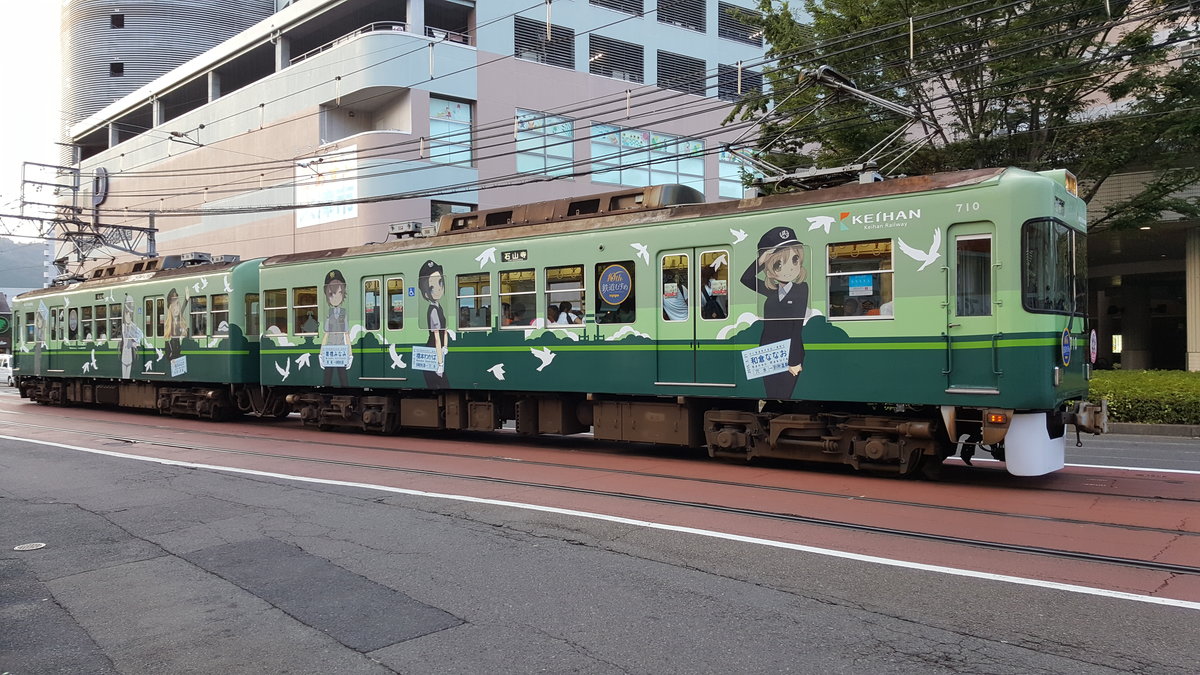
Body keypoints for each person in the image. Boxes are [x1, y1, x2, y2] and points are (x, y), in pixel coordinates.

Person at [741, 226, 808, 400]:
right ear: (770, 269)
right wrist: (761, 259)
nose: (789, 268)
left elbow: (796, 326)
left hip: (789, 351)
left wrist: (794, 360)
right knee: (771, 395)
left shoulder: (801, 289)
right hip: (767, 350)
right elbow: (746, 279)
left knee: (785, 395)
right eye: (779, 263)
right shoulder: (771, 290)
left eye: (795, 260)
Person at [419, 260, 449, 388]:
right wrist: (440, 364)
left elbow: (444, 330)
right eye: (432, 288)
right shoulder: (433, 311)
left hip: (437, 351)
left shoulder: (439, 307)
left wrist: (445, 346)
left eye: (440, 282)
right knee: (442, 383)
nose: (438, 289)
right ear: (426, 293)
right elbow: (437, 338)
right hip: (433, 354)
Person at [321, 269, 349, 387]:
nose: (335, 297)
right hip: (329, 350)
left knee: (343, 377)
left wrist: (350, 354)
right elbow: (326, 334)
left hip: (342, 350)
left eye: (339, 292)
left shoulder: (344, 313)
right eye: (331, 294)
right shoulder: (329, 314)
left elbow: (346, 334)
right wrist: (321, 353)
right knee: (327, 377)